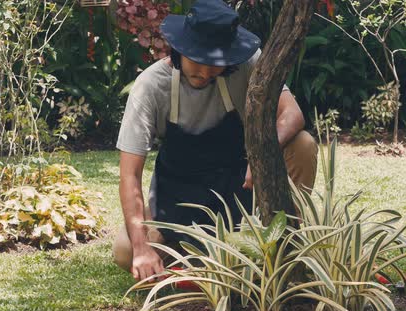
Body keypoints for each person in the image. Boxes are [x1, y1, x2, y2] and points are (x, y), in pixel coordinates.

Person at [112, 0, 318, 281]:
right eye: (199, 59)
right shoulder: (150, 87)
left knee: (303, 145)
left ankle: (284, 246)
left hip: (240, 202)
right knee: (125, 250)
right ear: (179, 49)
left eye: (216, 63)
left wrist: (260, 156)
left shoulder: (246, 65)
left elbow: (292, 114)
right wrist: (141, 246)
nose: (207, 71)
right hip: (176, 207)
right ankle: (211, 267)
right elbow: (129, 175)